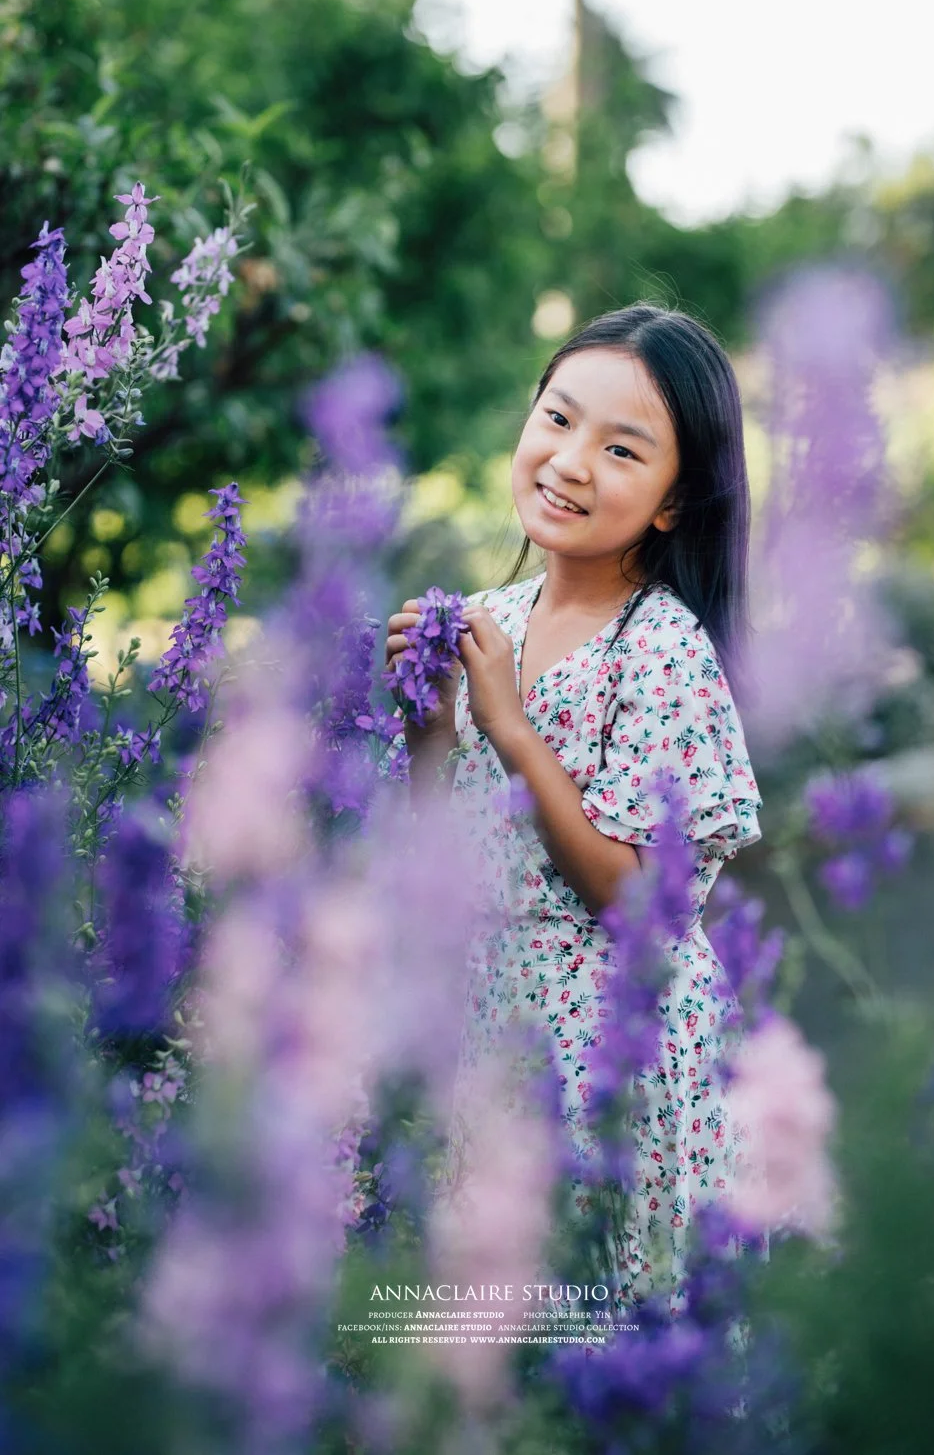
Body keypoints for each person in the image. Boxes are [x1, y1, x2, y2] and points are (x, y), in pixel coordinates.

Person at [385, 303, 762, 1311]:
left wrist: (511, 728)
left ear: (675, 501)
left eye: (621, 449)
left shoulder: (661, 651)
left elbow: (641, 909)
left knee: (603, 1345)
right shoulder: (491, 620)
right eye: (557, 419)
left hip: (614, 1063)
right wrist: (429, 723)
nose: (570, 462)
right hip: (492, 1035)